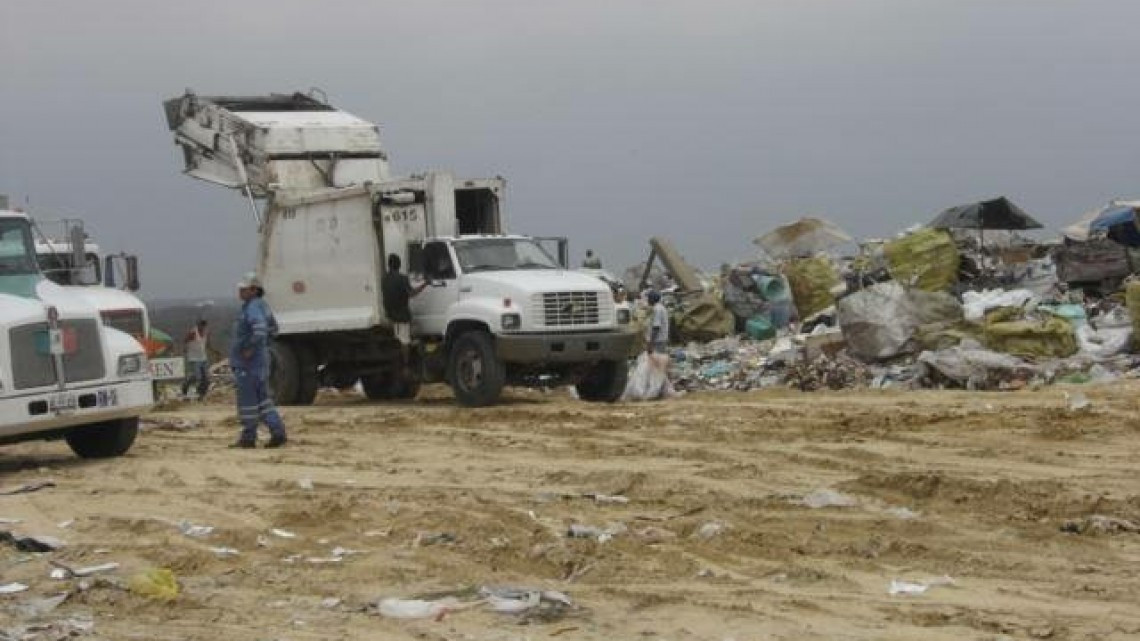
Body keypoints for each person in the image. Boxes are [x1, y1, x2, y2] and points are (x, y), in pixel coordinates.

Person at [229, 273, 287, 449]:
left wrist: (250, 349)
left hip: (250, 363)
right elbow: (273, 330)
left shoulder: (253, 308)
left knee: (248, 401)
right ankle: (278, 432)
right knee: (263, 400)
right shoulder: (262, 306)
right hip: (260, 360)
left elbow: (260, 330)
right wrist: (263, 348)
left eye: (244, 289)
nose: (240, 292)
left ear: (254, 290)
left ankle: (249, 437)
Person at [381, 254, 427, 348]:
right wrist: (425, 284)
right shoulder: (402, 278)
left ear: (389, 265)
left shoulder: (384, 279)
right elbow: (412, 294)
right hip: (402, 315)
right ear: (399, 265)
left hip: (390, 315)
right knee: (405, 342)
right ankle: (406, 362)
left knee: (397, 340)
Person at [181, 319, 210, 400]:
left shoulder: (206, 333)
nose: (203, 328)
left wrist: (214, 352)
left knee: (206, 377)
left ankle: (202, 394)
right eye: (201, 326)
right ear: (198, 326)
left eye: (204, 327)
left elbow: (207, 344)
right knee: (197, 377)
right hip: (194, 358)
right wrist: (185, 348)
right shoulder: (193, 332)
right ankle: (185, 386)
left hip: (203, 358)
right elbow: (185, 340)